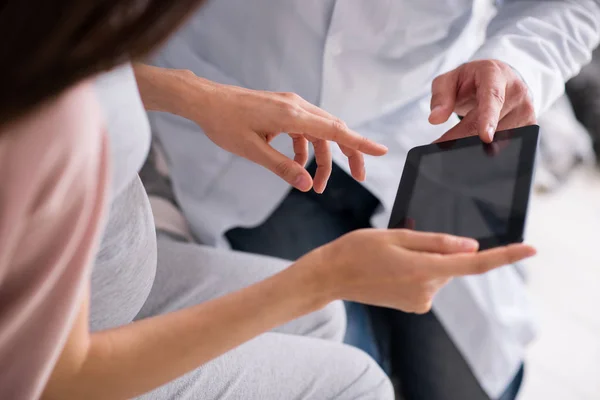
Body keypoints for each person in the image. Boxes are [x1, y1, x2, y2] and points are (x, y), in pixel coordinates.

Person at [0, 1, 539, 399]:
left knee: (364, 332)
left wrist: (192, 94)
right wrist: (320, 276)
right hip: (72, 344)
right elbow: (50, 380)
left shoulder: (52, 53)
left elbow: (83, 70)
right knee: (359, 380)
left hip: (396, 125)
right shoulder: (53, 124)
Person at [145, 1, 600, 399]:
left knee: (473, 379)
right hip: (245, 135)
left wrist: (518, 64)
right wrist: (191, 94)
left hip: (423, 127)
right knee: (350, 377)